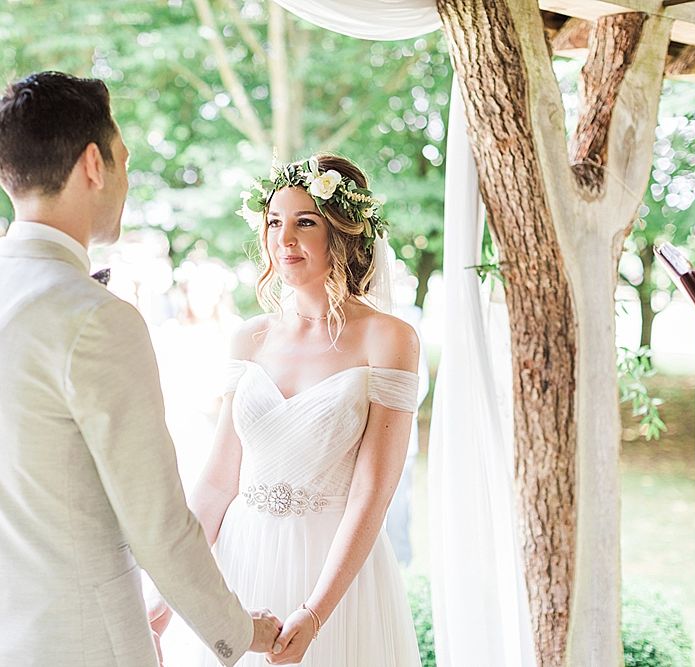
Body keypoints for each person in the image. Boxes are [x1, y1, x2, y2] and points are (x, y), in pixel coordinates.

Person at [0, 71, 281, 667]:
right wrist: (240, 630)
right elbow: (157, 521)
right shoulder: (95, 320)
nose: (126, 182)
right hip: (83, 644)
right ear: (93, 166)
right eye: (123, 161)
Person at [188, 154, 423, 666]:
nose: (284, 238)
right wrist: (173, 591)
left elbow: (372, 492)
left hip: (334, 573)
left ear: (342, 233)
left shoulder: (389, 339)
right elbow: (216, 482)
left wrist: (316, 612)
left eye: (305, 222)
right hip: (240, 562)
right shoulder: (248, 337)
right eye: (275, 222)